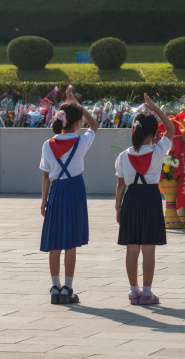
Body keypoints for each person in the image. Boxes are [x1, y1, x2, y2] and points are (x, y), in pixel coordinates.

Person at [115, 93, 175, 305]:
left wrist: (118, 208)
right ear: (154, 133)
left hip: (131, 198)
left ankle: (134, 292)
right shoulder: (158, 151)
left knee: (132, 248)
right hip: (151, 198)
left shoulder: (123, 156)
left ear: (134, 131)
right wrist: (155, 108)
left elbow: (121, 184)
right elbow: (172, 129)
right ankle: (148, 293)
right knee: (149, 248)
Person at [40, 88, 99, 304]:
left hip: (56, 191)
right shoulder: (81, 142)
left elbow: (46, 176)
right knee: (70, 243)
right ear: (77, 122)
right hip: (75, 190)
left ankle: (55, 287)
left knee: (55, 241)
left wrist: (44, 200)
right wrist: (78, 104)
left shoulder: (48, 145)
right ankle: (68, 288)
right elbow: (94, 126)